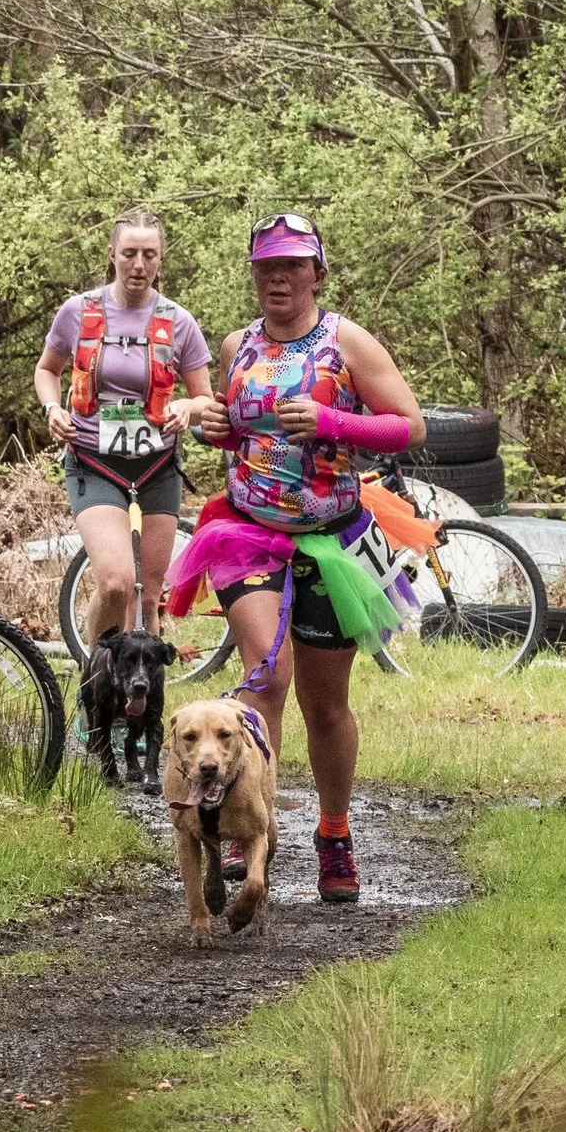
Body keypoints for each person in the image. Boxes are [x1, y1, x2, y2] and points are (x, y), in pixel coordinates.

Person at [187, 212, 425, 905]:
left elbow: (408, 426)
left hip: (332, 539)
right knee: (267, 675)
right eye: (266, 268)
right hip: (247, 530)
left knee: (326, 707)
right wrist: (215, 429)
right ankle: (242, 823)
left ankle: (334, 830)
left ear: (318, 273)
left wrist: (332, 422)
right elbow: (241, 439)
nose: (278, 279)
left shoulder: (345, 341)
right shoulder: (238, 345)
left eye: (292, 266)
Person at [32, 208, 217, 652]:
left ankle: (143, 711)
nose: (139, 265)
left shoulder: (179, 321)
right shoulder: (78, 312)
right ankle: (94, 681)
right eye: (130, 253)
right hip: (94, 461)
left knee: (149, 597)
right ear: (112, 254)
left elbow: (206, 398)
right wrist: (52, 408)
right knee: (117, 583)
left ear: (161, 259)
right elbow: (46, 370)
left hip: (158, 466)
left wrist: (187, 409)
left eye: (149, 255)